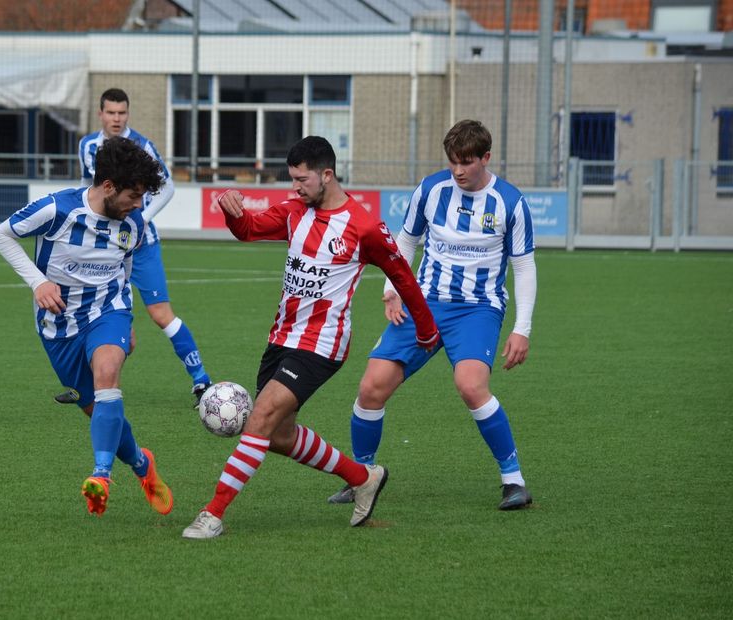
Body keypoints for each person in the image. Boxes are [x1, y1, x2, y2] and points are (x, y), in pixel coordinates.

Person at [181, 136, 439, 540]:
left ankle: (212, 513)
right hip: (282, 337)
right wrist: (232, 211)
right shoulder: (293, 212)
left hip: (322, 343)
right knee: (279, 437)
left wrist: (426, 329)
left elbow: (403, 276)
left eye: (302, 180)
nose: (295, 187)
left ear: (327, 175)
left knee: (260, 418)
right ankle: (363, 477)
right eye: (293, 180)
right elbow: (248, 230)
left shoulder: (364, 225)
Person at [327, 119, 537, 510]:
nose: (458, 170)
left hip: (478, 309)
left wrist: (521, 328)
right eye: (453, 161)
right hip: (424, 304)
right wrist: (393, 291)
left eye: (467, 162)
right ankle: (362, 477)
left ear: (486, 158)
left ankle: (514, 481)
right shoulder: (430, 190)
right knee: (371, 386)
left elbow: (524, 267)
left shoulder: (510, 202)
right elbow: (405, 241)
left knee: (471, 386)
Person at [0, 137, 174, 518]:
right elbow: (0, 234)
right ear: (108, 186)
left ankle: (100, 477)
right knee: (101, 413)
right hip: (59, 327)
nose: (139, 205)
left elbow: (124, 267)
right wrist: (37, 282)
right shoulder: (59, 209)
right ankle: (142, 465)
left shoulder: (134, 223)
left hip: (109, 312)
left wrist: (127, 320)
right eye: (133, 195)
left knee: (108, 374)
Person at [54, 87, 211, 408]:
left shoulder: (142, 146)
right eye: (111, 112)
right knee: (85, 310)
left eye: (122, 113)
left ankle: (201, 381)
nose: (116, 118)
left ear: (128, 114)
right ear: (101, 114)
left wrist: (141, 221)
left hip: (140, 245)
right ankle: (85, 382)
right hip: (99, 245)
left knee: (159, 314)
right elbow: (90, 189)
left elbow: (167, 186)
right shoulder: (87, 145)